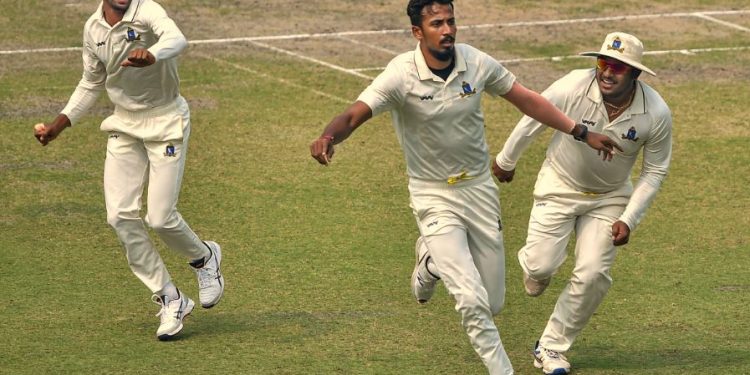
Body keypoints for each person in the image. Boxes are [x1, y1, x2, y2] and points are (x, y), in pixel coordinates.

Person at [309, 1, 622, 373]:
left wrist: (582, 132)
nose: (447, 30)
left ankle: (430, 259)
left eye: (451, 21)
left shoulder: (475, 62)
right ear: (417, 32)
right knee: (471, 300)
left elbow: (528, 100)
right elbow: (353, 114)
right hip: (432, 194)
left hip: (478, 190)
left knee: (492, 303)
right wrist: (330, 135)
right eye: (436, 23)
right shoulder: (400, 75)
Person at [33, 0, 225, 341]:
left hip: (166, 120)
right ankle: (171, 297)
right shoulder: (93, 29)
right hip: (124, 123)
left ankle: (204, 259)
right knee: (119, 216)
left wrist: (152, 54)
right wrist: (57, 126)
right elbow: (91, 82)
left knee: (161, 218)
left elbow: (177, 39)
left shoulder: (147, 10)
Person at [493, 32, 672, 374]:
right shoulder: (573, 85)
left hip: (610, 198)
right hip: (558, 186)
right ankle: (538, 269)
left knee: (593, 274)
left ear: (634, 74)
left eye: (618, 67)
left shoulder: (656, 112)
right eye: (603, 63)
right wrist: (506, 159)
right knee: (539, 268)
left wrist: (630, 218)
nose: (607, 72)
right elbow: (534, 116)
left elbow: (656, 170)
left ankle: (550, 348)